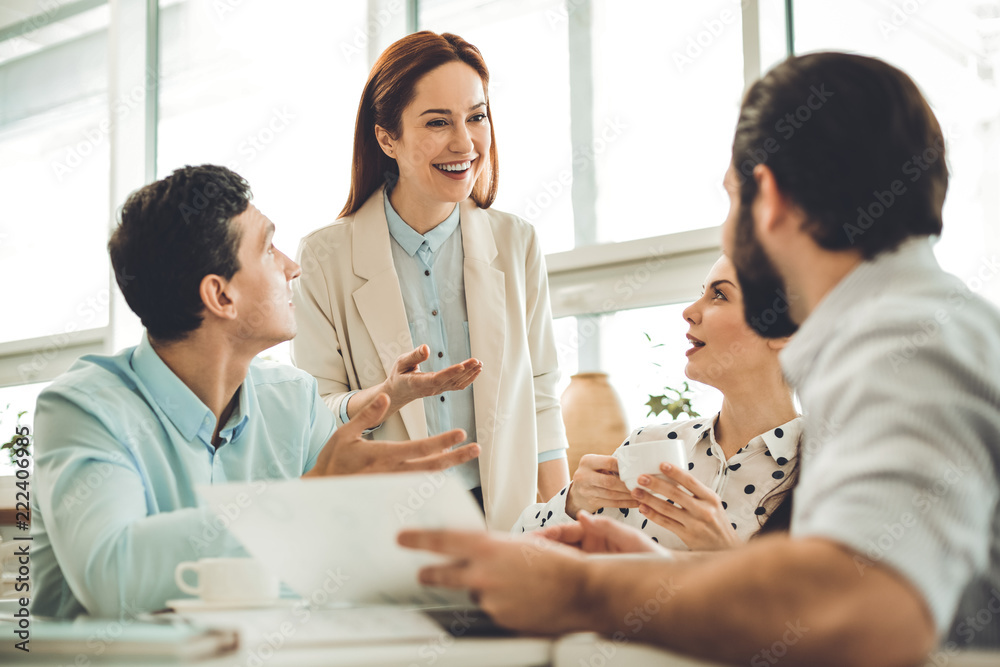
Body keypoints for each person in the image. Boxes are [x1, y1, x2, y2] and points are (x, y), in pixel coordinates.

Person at [399, 52, 1000, 663]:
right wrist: (659, 578)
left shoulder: (904, 342)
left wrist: (584, 589)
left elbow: (866, 612)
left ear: (768, 197)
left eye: (732, 199)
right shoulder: (916, 330)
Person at [30, 165, 480, 619]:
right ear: (220, 297)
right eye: (268, 248)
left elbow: (346, 554)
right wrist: (306, 499)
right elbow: (114, 576)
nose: (292, 266)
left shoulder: (294, 401)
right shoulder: (83, 410)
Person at [292, 31, 569, 530]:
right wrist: (383, 398)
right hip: (387, 524)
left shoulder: (516, 241)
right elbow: (312, 417)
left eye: (477, 117)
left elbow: (541, 396)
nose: (464, 143)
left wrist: (565, 523)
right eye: (438, 122)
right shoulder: (324, 256)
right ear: (386, 138)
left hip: (504, 518)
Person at [515, 255, 802, 552]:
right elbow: (515, 552)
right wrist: (573, 503)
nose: (689, 311)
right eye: (701, 292)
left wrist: (726, 556)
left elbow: (828, 599)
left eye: (720, 295)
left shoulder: (830, 472)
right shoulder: (648, 443)